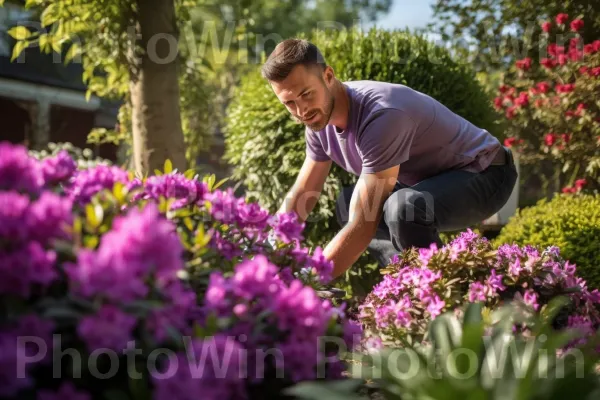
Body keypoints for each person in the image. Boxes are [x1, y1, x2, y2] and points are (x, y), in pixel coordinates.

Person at [261, 38, 518, 280]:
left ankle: (444, 295)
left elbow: (364, 220)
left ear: (328, 76)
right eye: (289, 103)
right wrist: (264, 257)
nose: (301, 110)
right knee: (346, 202)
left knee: (403, 208)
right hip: (426, 184)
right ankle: (406, 284)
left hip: (486, 173)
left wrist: (305, 282)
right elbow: (304, 191)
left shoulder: (381, 114)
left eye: (306, 94)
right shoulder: (317, 121)